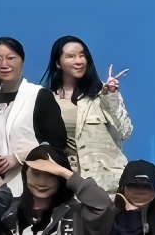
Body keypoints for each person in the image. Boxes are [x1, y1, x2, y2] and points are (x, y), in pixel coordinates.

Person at [44, 36, 132, 191]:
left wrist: (111, 97)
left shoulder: (102, 94)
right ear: (58, 63)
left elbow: (124, 132)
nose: (78, 61)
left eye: (82, 55)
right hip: (68, 185)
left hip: (106, 186)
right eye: (71, 56)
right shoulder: (47, 99)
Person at [0, 38, 67, 195]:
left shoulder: (39, 96)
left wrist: (18, 157)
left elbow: (57, 143)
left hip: (30, 187)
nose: (4, 64)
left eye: (10, 58)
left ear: (22, 60)